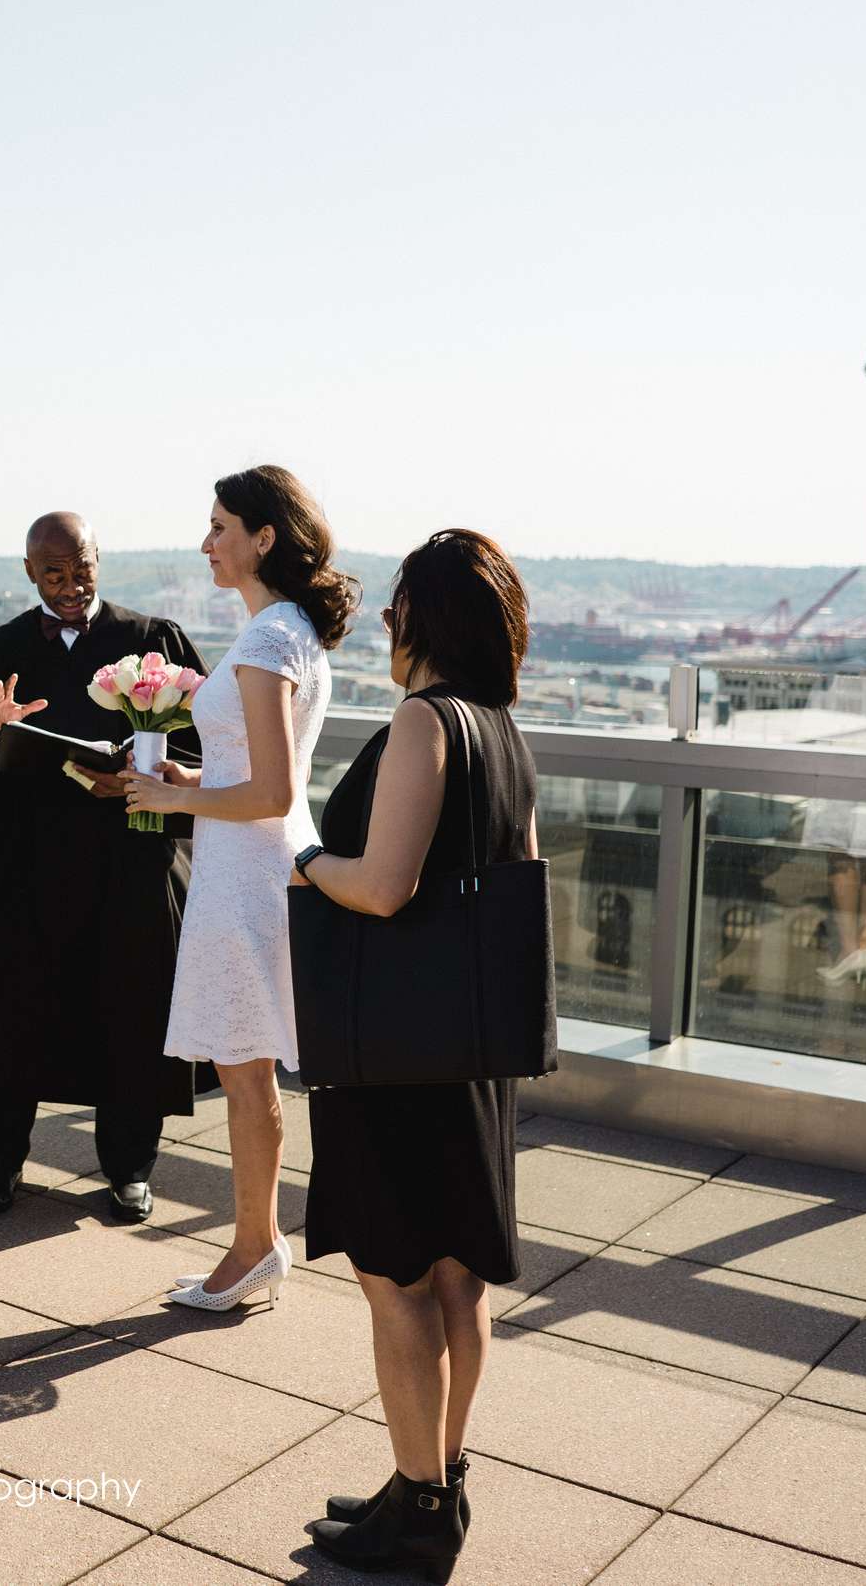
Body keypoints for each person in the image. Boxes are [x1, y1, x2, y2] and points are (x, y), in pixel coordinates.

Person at [294, 528, 540, 1581]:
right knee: (458, 1280)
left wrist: (303, 856)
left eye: (397, 607)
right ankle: (431, 1477)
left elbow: (383, 883)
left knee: (394, 1280)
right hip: (467, 1049)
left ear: (422, 620)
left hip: (390, 1045)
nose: (387, 622)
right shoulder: (503, 730)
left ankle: (421, 1511)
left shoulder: (421, 723)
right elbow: (512, 882)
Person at [0, 512, 206, 1221]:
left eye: (82, 568)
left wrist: (145, 768)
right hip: (26, 865)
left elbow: (216, 749)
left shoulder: (151, 645)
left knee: (134, 1011)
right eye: (55, 573)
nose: (71, 585)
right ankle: (0, 1159)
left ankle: (129, 1165)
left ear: (100, 559)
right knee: (11, 1014)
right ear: (29, 572)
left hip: (131, 861)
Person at [125, 467, 353, 1310]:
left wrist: (172, 795)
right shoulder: (287, 629)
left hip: (248, 870)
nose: (206, 540)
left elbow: (273, 793)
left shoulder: (267, 639)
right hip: (255, 864)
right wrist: (196, 770)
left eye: (220, 525)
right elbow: (258, 773)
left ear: (264, 537)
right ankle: (258, 1243)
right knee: (249, 1070)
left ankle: (255, 1247)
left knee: (247, 1074)